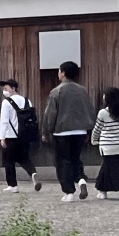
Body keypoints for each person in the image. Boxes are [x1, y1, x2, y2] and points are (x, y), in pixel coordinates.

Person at [44, 61, 94, 201]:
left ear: (63, 73)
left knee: (63, 162)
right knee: (75, 158)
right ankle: (81, 180)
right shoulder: (82, 91)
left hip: (62, 131)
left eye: (59, 71)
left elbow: (50, 114)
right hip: (80, 131)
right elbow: (90, 110)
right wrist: (88, 129)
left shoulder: (56, 91)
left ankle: (69, 192)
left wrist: (46, 131)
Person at [0, 78, 42, 193]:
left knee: (9, 160)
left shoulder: (6, 102)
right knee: (24, 158)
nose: (4, 90)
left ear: (13, 89)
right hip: (25, 136)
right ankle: (33, 173)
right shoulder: (27, 101)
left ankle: (12, 185)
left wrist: (2, 137)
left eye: (6, 88)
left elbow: (4, 121)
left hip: (11, 136)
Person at [91, 88, 119, 197]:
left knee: (113, 167)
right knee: (110, 166)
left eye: (104, 95)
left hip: (107, 145)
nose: (103, 97)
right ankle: (102, 190)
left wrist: (94, 139)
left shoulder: (103, 113)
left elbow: (97, 128)